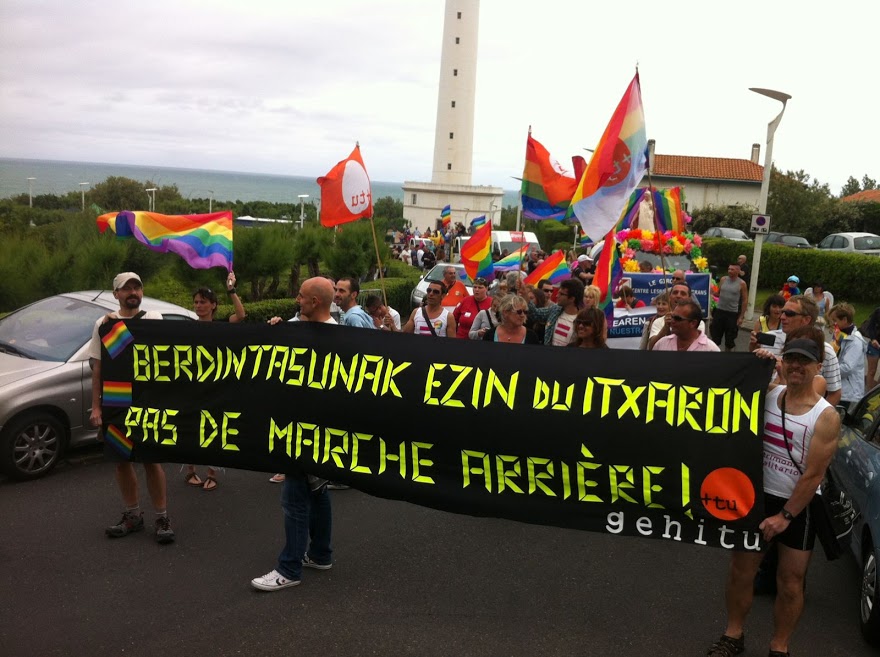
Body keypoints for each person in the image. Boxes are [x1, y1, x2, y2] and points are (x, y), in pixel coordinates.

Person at [706, 337, 840, 657]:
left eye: (804, 361)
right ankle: (733, 635)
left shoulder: (825, 416)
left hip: (797, 506)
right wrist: (756, 362)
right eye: (790, 358)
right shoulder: (768, 395)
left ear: (818, 367)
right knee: (741, 572)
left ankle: (779, 646)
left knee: (791, 581)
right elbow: (729, 392)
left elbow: (814, 475)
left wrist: (785, 517)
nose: (796, 365)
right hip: (756, 499)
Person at [252, 277, 336, 592]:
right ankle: (320, 554)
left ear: (315, 302)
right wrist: (277, 332)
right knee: (318, 492)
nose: (296, 300)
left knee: (294, 498)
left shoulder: (333, 338)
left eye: (301, 296)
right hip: (309, 429)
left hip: (307, 433)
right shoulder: (302, 329)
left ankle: (289, 568)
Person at [89, 272, 174, 544]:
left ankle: (162, 517)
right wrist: (96, 407)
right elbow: (98, 368)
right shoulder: (104, 325)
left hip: (147, 400)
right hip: (116, 401)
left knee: (151, 459)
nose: (133, 292)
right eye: (126, 289)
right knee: (122, 460)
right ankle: (133, 515)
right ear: (116, 294)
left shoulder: (153, 319)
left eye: (137, 287)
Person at [184, 272, 246, 491]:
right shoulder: (188, 328)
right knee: (191, 426)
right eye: (196, 302)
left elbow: (241, 315)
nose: (198, 306)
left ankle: (212, 473)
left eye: (203, 302)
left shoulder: (221, 325)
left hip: (216, 386)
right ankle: (190, 470)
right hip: (193, 385)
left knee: (215, 428)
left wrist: (232, 290)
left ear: (213, 305)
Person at [761, 295, 843, 407]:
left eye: (789, 313)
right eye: (782, 312)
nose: (782, 317)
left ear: (806, 320)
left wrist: (818, 415)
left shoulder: (826, 351)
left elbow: (835, 393)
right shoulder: (769, 338)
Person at [525, 278, 585, 346]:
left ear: (572, 298)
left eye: (561, 294)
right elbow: (535, 313)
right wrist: (525, 294)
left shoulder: (583, 320)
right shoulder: (555, 310)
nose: (557, 296)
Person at [829, 302, 867, 408]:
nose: (832, 323)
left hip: (848, 392)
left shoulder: (855, 341)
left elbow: (847, 368)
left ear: (844, 320)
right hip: (837, 386)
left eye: (835, 320)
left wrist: (827, 371)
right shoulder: (840, 334)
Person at [652, 300, 720, 352]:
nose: (672, 321)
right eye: (672, 317)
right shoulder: (662, 344)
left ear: (693, 323)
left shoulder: (711, 349)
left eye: (677, 318)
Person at [710, 263, 748, 352]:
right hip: (719, 311)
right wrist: (711, 292)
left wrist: (741, 317)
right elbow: (718, 293)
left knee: (730, 339)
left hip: (732, 314)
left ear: (738, 271)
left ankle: (728, 356)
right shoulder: (723, 279)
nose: (729, 271)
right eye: (729, 269)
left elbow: (745, 300)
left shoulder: (742, 283)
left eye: (732, 269)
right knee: (715, 336)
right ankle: (714, 355)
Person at [862, 306, 880, 388]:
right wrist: (873, 339)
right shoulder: (878, 311)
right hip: (875, 346)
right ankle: (869, 392)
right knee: (872, 371)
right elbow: (871, 326)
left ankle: (877, 393)